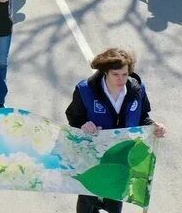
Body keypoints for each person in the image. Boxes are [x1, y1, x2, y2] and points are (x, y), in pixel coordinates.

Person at [66, 48, 167, 213]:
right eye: (116, 74)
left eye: (125, 74)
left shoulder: (137, 90)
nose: (121, 79)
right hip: (93, 155)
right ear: (106, 72)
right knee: (87, 198)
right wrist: (84, 125)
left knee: (115, 199)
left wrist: (154, 126)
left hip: (121, 156)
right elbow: (73, 117)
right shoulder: (85, 90)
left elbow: (142, 116)